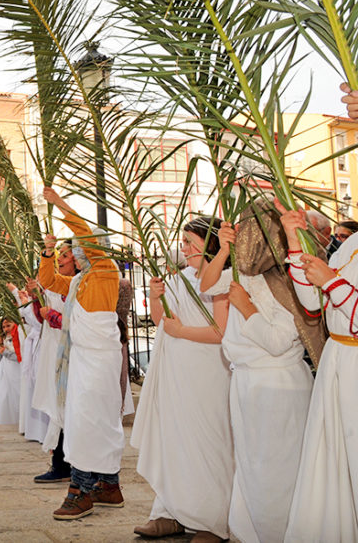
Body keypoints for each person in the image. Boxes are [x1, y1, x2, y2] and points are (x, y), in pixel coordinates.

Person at [198, 202, 319, 542]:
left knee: (275, 473)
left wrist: (246, 307)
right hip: (247, 383)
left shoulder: (286, 280)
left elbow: (280, 341)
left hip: (277, 386)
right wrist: (221, 251)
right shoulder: (244, 275)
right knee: (251, 467)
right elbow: (206, 285)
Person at [130, 217, 233, 541]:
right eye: (183, 241)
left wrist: (181, 332)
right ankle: (169, 512)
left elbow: (222, 333)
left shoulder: (225, 278)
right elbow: (162, 321)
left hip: (208, 373)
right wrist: (156, 295)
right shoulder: (181, 277)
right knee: (174, 442)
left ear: (210, 243)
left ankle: (210, 520)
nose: (184, 248)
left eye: (190, 241)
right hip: (176, 375)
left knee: (207, 443)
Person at [38, 187, 124, 521]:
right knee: (95, 423)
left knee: (87, 425)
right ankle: (109, 485)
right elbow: (47, 281)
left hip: (98, 362)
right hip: (84, 361)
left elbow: (85, 235)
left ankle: (81, 490)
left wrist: (60, 204)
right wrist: (47, 253)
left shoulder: (105, 271)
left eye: (76, 248)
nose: (74, 252)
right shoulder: (81, 280)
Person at [280, 203, 358, 541]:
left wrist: (331, 281)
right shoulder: (353, 246)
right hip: (337, 361)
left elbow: (335, 290)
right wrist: (294, 244)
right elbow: (313, 302)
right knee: (333, 467)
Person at [31, 245, 75, 484]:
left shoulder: (77, 286)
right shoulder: (54, 285)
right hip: (52, 347)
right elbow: (41, 317)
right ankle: (60, 462)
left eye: (65, 256)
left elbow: (73, 320)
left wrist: (52, 316)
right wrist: (36, 300)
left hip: (68, 349)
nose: (60, 260)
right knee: (56, 402)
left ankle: (66, 463)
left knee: (65, 404)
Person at [12, 284, 48, 444]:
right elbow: (27, 314)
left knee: (40, 385)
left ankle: (43, 431)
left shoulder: (46, 297)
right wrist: (23, 299)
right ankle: (35, 430)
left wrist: (21, 298)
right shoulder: (36, 300)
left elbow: (35, 318)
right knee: (33, 385)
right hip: (36, 344)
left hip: (43, 344)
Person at [0, 317, 22, 426]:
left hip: (16, 370)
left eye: (8, 325)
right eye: (4, 327)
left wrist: (5, 352)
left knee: (17, 395)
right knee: (4, 397)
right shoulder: (3, 339)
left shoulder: (19, 337)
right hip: (4, 372)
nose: (6, 329)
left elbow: (19, 357)